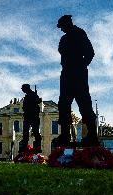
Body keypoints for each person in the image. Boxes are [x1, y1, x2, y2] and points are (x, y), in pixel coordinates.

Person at [52, 15, 99, 147]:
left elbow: (90, 52)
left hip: (78, 73)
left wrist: (82, 66)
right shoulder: (64, 38)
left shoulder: (79, 33)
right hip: (66, 74)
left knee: (84, 103)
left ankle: (92, 135)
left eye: (62, 26)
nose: (61, 29)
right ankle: (65, 135)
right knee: (63, 105)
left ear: (68, 23)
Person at [19, 84, 42, 153]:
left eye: (23, 89)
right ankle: (24, 147)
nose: (22, 90)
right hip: (27, 116)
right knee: (25, 132)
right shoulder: (27, 96)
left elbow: (38, 101)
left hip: (33, 116)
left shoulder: (33, 94)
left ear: (26, 88)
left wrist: (37, 99)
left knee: (35, 132)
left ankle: (38, 147)